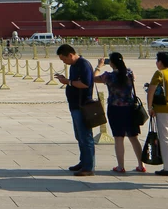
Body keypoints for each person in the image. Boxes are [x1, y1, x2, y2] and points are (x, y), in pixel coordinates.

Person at [93, 52, 146, 174]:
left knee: (118, 137)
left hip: (115, 108)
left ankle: (121, 166)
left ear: (111, 63)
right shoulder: (130, 73)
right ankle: (141, 164)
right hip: (130, 108)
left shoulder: (109, 76)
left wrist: (99, 66)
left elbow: (93, 78)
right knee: (133, 137)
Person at [55, 44, 95, 176]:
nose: (64, 62)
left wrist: (68, 82)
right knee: (79, 136)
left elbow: (85, 83)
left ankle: (88, 167)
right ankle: (83, 161)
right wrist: (65, 80)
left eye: (64, 59)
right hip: (75, 105)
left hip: (82, 105)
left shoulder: (83, 65)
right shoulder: (74, 65)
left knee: (85, 136)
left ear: (70, 55)